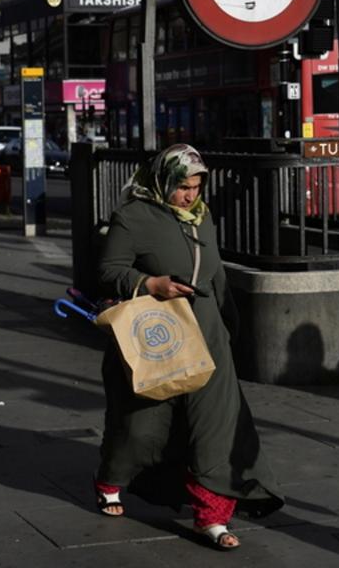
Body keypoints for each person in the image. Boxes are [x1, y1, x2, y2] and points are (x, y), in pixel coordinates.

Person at [95, 144, 283, 550]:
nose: (190, 195)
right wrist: (150, 284)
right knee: (143, 426)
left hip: (207, 332)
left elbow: (214, 277)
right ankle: (111, 479)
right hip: (158, 335)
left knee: (215, 425)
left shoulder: (202, 217)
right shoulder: (133, 216)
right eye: (183, 186)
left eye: (197, 186)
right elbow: (108, 271)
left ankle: (211, 517)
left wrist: (231, 327)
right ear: (164, 181)